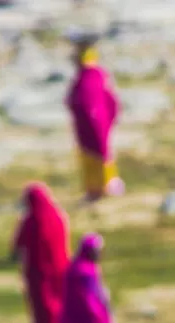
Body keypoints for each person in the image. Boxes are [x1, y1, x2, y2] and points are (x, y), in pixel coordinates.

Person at [11, 182, 71, 323]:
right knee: (59, 307)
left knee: (42, 311)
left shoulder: (31, 221)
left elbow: (18, 245)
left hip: (39, 274)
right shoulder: (58, 216)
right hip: (61, 271)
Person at [65, 31, 125, 203]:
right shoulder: (91, 76)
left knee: (101, 152)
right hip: (89, 122)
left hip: (96, 121)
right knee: (93, 154)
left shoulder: (92, 76)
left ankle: (105, 188)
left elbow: (97, 100)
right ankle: (95, 189)